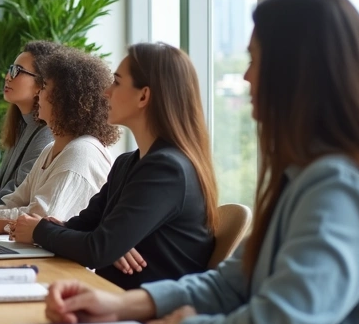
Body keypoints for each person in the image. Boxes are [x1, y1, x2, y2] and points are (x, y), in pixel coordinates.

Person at [41, 0, 359, 324]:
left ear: (296, 73)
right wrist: (122, 305)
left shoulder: (340, 186)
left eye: (254, 60)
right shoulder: (304, 177)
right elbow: (230, 282)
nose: (247, 77)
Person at [12, 42, 217, 290]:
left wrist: (40, 231)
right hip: (112, 296)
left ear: (143, 96)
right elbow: (83, 227)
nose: (106, 92)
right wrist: (101, 241)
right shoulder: (127, 163)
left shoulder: (167, 170)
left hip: (145, 307)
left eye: (117, 82)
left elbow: (97, 249)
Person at [0, 46, 118, 233]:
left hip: (60, 253)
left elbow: (40, 218)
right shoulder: (50, 150)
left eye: (44, 87)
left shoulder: (81, 153)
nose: (39, 94)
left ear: (65, 99)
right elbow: (14, 201)